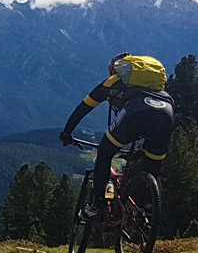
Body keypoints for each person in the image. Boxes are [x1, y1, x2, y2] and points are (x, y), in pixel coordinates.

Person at [59, 52, 175, 218]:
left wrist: (67, 132)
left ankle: (98, 206)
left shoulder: (113, 82)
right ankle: (148, 209)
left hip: (135, 115)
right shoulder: (157, 88)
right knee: (153, 169)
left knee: (105, 152)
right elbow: (153, 117)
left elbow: (83, 107)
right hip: (166, 114)